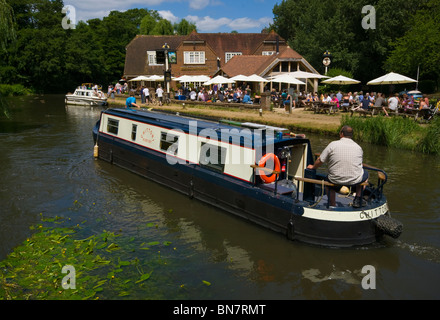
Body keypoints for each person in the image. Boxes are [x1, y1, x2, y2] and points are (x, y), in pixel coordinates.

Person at [307, 125, 368, 208]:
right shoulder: (358, 147)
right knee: (365, 174)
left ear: (341, 134)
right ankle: (357, 198)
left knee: (328, 183)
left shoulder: (333, 145)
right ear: (351, 135)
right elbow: (359, 164)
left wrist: (313, 167)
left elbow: (320, 160)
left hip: (335, 179)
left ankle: (333, 204)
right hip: (354, 180)